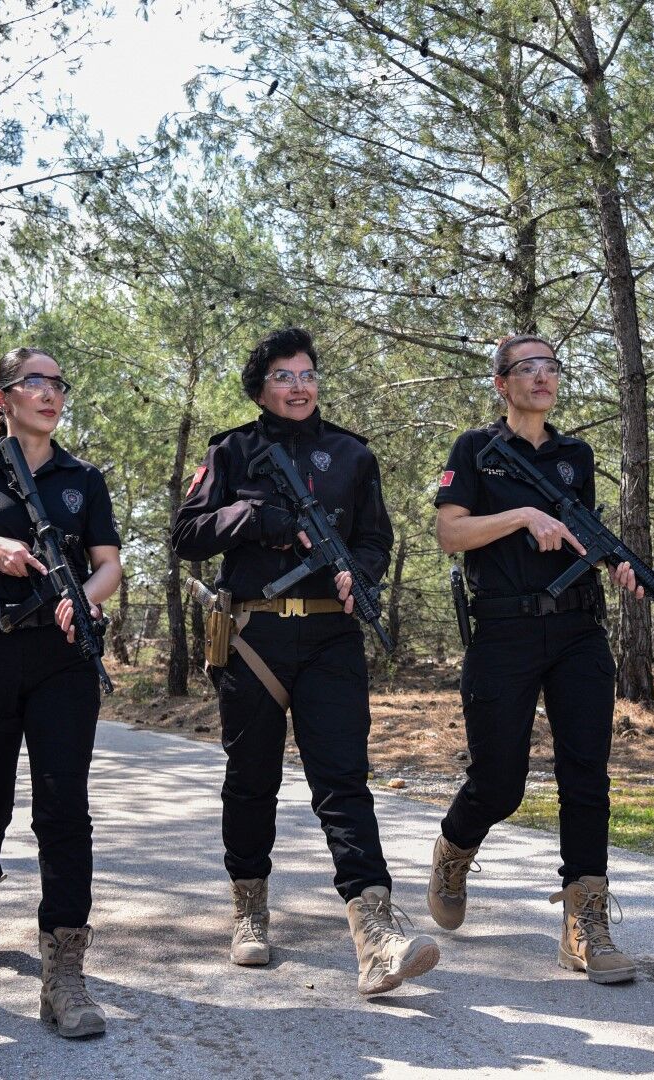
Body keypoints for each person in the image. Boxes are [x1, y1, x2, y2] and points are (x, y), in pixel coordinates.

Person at [170, 327, 439, 997]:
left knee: (343, 782)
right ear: (260, 388)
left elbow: (375, 540)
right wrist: (255, 519)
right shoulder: (231, 451)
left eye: (308, 374)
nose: (299, 386)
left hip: (330, 637)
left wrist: (360, 574)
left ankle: (375, 933)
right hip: (252, 636)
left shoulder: (351, 454)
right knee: (251, 778)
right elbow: (187, 535)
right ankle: (249, 907)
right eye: (284, 376)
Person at [427, 334, 645, 984]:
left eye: (551, 365)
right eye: (527, 367)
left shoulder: (576, 456)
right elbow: (449, 533)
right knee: (499, 783)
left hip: (578, 629)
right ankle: (452, 850)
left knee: (586, 777)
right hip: (503, 630)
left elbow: (582, 535)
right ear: (501, 383)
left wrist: (615, 564)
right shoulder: (474, 450)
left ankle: (585, 927)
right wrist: (522, 514)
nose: (542, 376)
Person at [0, 346, 122, 1039]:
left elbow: (109, 563)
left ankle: (64, 971)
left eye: (58, 383)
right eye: (34, 381)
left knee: (64, 810)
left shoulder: (82, 479)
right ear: (3, 396)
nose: (50, 393)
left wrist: (87, 598)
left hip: (62, 658)